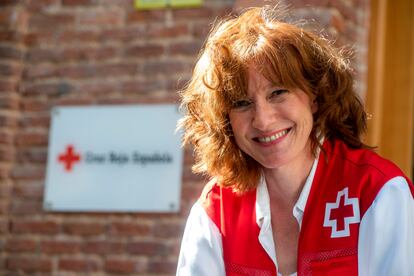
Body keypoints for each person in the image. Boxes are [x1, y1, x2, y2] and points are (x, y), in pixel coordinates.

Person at [175, 5, 414, 276]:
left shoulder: (376, 191)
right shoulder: (215, 211)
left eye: (278, 93)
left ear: (314, 96)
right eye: (242, 103)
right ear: (225, 120)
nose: (263, 120)